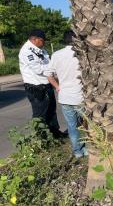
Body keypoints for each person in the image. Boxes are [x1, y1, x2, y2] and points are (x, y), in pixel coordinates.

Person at [45, 30, 87, 158]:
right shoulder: (82, 54)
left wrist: (58, 87)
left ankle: (77, 151)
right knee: (88, 125)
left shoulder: (56, 55)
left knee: (72, 126)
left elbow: (48, 75)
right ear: (76, 40)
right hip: (81, 97)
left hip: (65, 97)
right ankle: (89, 148)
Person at [19, 29, 63, 137]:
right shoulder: (26, 51)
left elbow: (49, 64)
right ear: (35, 39)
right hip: (36, 88)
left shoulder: (41, 50)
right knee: (40, 114)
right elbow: (38, 69)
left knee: (51, 111)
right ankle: (41, 138)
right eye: (43, 40)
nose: (44, 43)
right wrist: (52, 68)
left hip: (47, 85)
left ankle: (55, 134)